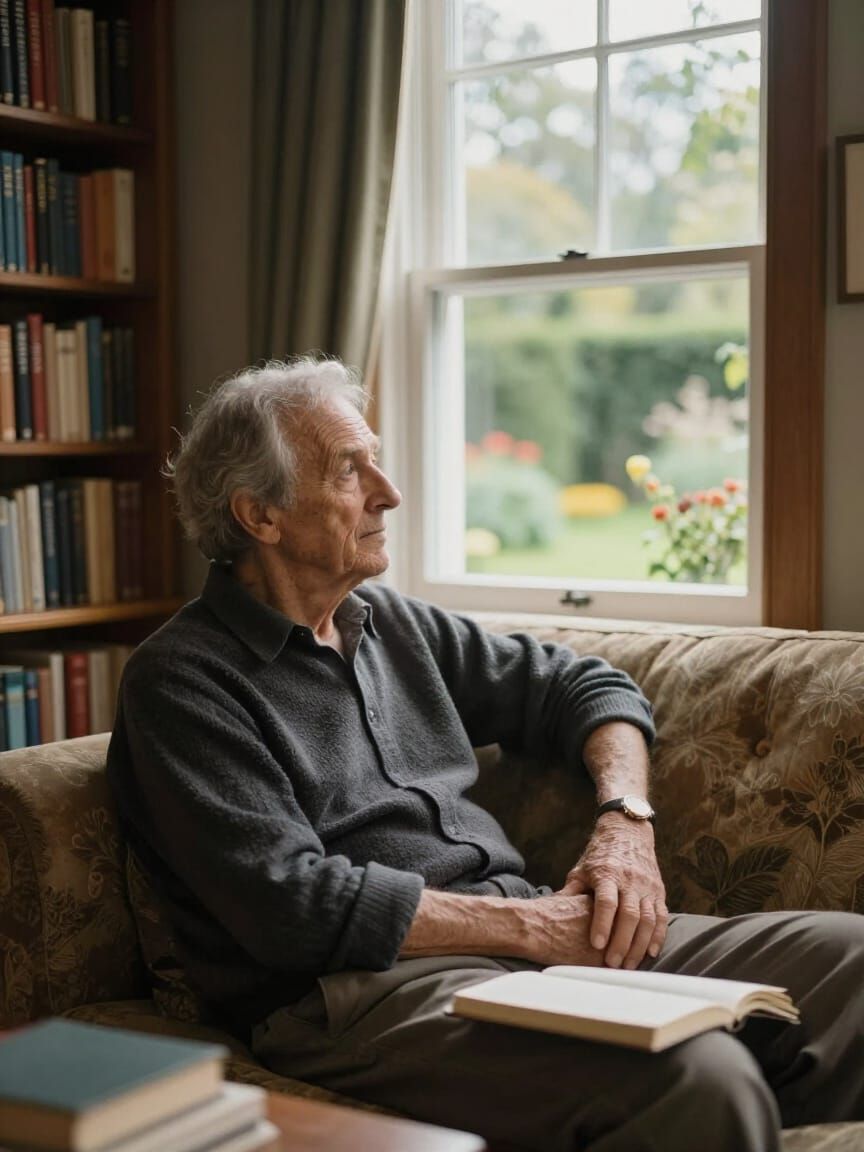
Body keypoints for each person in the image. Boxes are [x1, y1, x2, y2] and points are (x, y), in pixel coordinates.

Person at [107, 357, 864, 1152]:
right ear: (260, 516)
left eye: (374, 459)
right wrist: (535, 929)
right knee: (697, 1073)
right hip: (364, 994)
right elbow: (291, 907)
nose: (388, 491)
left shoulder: (390, 624)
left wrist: (624, 824)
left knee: (851, 963)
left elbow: (588, 687)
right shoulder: (181, 682)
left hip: (528, 935)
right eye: (348, 470)